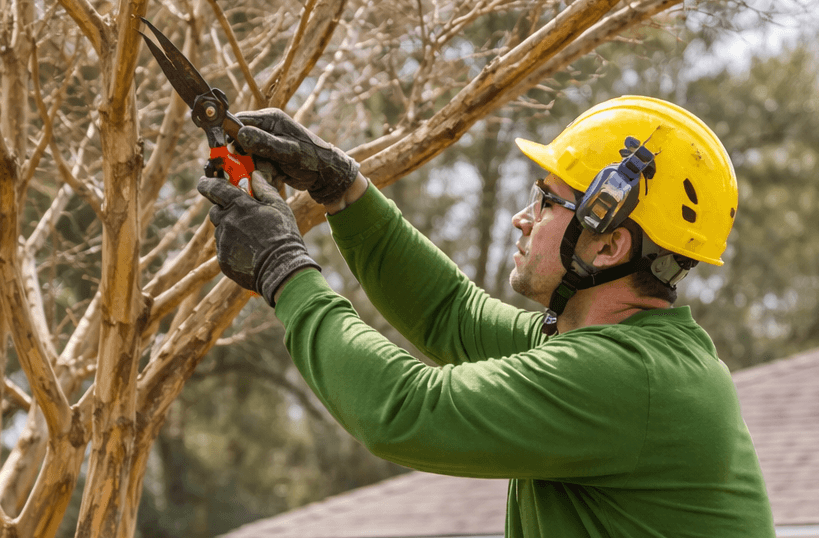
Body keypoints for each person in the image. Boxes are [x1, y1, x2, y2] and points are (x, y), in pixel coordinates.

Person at [197, 95, 775, 537]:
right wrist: (340, 186)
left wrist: (281, 267)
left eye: (548, 200)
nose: (524, 218)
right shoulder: (619, 353)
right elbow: (450, 314)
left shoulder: (627, 379)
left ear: (607, 246)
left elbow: (402, 411)